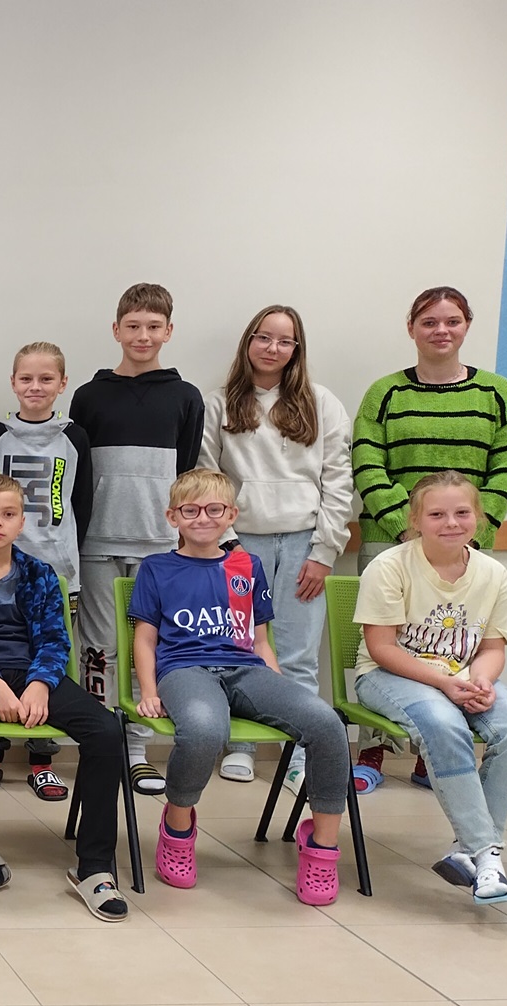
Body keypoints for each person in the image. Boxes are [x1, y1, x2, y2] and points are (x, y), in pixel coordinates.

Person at [130, 469, 349, 905]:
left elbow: (261, 640)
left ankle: (321, 848)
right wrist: (149, 691)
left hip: (245, 669)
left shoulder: (247, 566)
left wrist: (277, 685)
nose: (203, 518)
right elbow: (145, 639)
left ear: (231, 515)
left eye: (214, 510)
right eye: (191, 510)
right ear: (173, 517)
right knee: (205, 730)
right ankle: (177, 827)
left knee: (326, 723)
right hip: (185, 670)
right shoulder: (157, 568)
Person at [0, 474, 129, 919]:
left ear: (21, 522)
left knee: (106, 731)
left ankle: (94, 866)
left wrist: (39, 683)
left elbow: (56, 640)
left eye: (7, 514)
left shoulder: (41, 575)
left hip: (34, 674)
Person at [352, 287, 507, 793]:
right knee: (385, 648)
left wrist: (474, 526)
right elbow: (367, 459)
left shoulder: (497, 392)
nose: (441, 330)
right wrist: (407, 527)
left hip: (466, 542)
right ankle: (373, 748)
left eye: (452, 321)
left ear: (467, 326)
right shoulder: (386, 393)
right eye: (429, 322)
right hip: (389, 539)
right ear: (411, 328)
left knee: (449, 642)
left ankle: (436, 752)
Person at [355, 471, 507, 905]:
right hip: (389, 676)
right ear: (416, 520)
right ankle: (486, 853)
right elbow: (381, 648)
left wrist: (482, 679)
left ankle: (468, 851)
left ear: (478, 517)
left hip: (463, 677)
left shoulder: (493, 573)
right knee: (443, 724)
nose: (451, 523)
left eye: (462, 513)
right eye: (436, 514)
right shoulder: (389, 566)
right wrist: (443, 683)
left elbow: (492, 648)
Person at [199, 305, 353, 791]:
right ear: (249, 342)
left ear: (296, 350)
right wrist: (226, 544)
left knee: (299, 654)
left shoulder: (321, 402)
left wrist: (325, 551)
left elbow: (338, 480)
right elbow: (207, 475)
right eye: (264, 337)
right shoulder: (218, 403)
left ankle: (299, 756)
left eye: (285, 341)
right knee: (237, 649)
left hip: (305, 542)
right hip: (241, 544)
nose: (273, 348)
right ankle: (240, 747)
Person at [70, 282, 204, 797]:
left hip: (158, 546)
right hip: (97, 542)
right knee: (99, 648)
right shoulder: (89, 396)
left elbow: (186, 474)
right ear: (116, 330)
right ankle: (99, 744)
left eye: (153, 326)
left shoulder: (185, 397)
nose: (142, 335)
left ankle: (136, 750)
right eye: (132, 326)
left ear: (168, 331)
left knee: (148, 648)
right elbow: (78, 473)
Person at [0, 341, 93, 802]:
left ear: (63, 384)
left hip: (56, 573)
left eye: (46, 379)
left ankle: (42, 760)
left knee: (49, 662)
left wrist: (64, 556)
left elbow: (82, 504)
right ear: (13, 382)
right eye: (26, 378)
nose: (35, 387)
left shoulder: (74, 438)